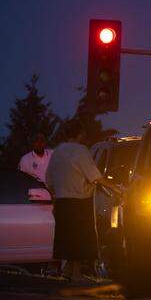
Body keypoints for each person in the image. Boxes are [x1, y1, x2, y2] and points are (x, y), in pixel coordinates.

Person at [44, 119, 120, 283]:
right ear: (79, 133)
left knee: (66, 237)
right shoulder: (80, 150)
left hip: (62, 201)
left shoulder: (57, 152)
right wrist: (115, 188)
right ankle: (76, 274)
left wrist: (57, 194)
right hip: (79, 201)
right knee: (80, 237)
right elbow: (95, 175)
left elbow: (48, 179)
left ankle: (67, 270)